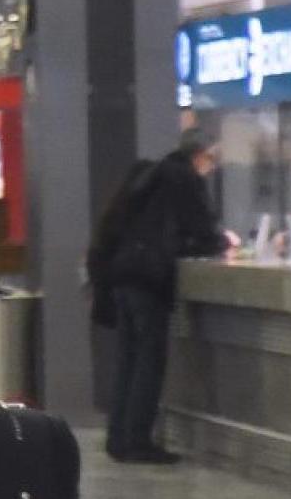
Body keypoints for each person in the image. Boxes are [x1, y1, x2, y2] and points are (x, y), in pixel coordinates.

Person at [94, 130, 228, 465]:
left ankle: (118, 438)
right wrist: (224, 242)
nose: (211, 167)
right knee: (149, 361)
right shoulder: (184, 178)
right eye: (212, 160)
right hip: (149, 277)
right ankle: (138, 441)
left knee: (128, 358)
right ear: (200, 155)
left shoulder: (147, 173)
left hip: (122, 274)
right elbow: (203, 231)